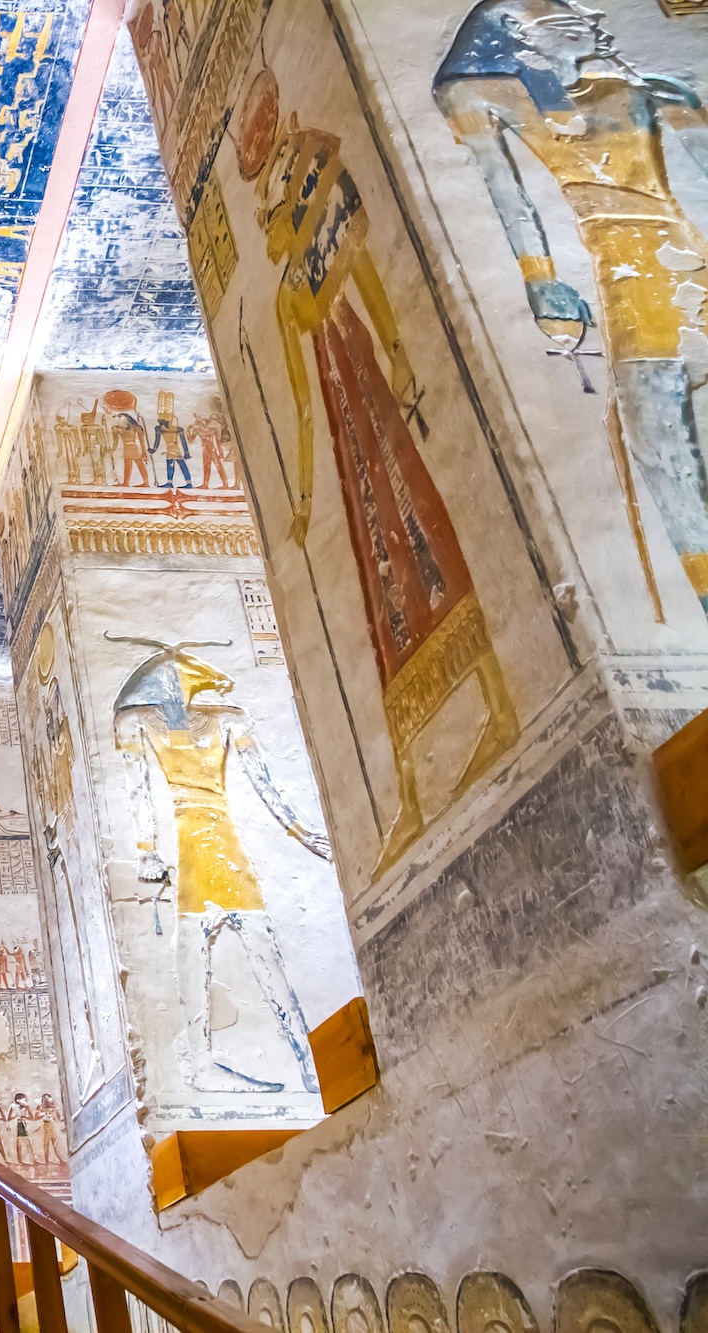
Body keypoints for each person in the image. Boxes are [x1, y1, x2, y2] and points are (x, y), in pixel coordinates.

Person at [243, 68, 519, 867]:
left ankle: (499, 701)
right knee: (378, 589)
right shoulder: (286, 303)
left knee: (425, 530)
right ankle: (409, 788)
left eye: (273, 224)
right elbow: (302, 409)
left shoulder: (323, 249)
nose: (272, 242)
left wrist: (398, 354)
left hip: (371, 401)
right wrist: (301, 501)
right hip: (347, 433)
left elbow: (368, 285)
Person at [436, 0, 708, 614]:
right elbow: (505, 190)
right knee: (657, 439)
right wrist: (540, 279)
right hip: (635, 276)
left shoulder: (651, 89)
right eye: (561, 14)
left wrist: (542, 281)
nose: (588, 16)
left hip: (659, 268)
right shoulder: (486, 93)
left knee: (658, 440)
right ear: (514, 29)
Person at [112, 636, 331, 1094]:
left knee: (257, 949)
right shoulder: (140, 723)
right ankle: (205, 1066)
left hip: (222, 847)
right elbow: (138, 792)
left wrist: (302, 832)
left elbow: (264, 784)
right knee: (195, 951)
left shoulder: (226, 719)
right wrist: (147, 851)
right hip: (196, 849)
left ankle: (311, 1062)